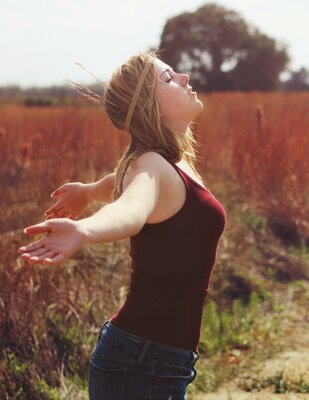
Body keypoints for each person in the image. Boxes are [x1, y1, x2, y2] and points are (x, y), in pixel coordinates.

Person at [18, 49, 227, 399]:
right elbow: (131, 208)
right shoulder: (151, 167)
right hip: (140, 364)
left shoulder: (170, 162)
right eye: (168, 78)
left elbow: (117, 181)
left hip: (158, 359)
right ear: (148, 105)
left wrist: (88, 191)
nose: (185, 79)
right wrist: (85, 229)